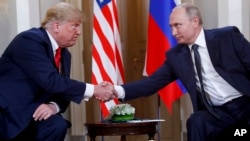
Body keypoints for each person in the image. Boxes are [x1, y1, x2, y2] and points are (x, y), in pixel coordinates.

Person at [112, 3, 250, 141]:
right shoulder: (176, 56)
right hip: (218, 114)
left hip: (245, 105)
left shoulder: (227, 37)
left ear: (194, 21)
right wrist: (116, 90)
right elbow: (151, 83)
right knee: (197, 120)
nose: (173, 32)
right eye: (171, 27)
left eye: (178, 25)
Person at [0, 2, 114, 141]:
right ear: (56, 26)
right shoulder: (30, 40)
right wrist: (94, 89)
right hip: (10, 113)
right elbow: (52, 81)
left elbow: (63, 89)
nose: (79, 32)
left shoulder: (64, 54)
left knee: (57, 125)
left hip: (34, 112)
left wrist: (53, 106)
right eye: (75, 26)